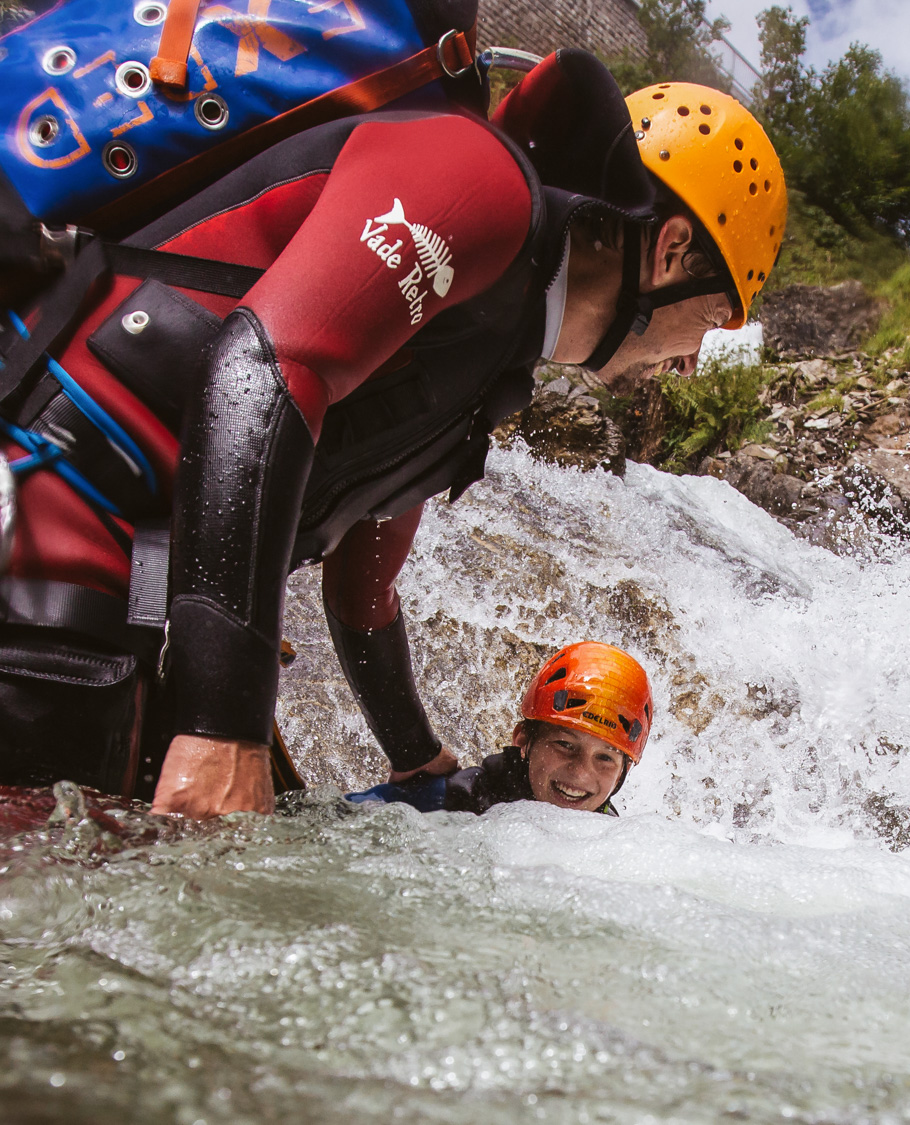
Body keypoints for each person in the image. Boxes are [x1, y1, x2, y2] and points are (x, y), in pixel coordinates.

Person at [0, 52, 787, 819]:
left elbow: (362, 588)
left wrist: (415, 754)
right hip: (52, 523)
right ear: (672, 248)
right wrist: (222, 727)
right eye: (715, 320)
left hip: (125, 606)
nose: (692, 363)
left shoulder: (489, 363)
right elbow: (267, 365)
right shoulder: (474, 178)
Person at [349, 642, 652, 815]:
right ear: (523, 739)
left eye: (605, 758)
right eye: (565, 744)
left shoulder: (610, 836)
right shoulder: (454, 800)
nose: (581, 773)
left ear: (623, 773)